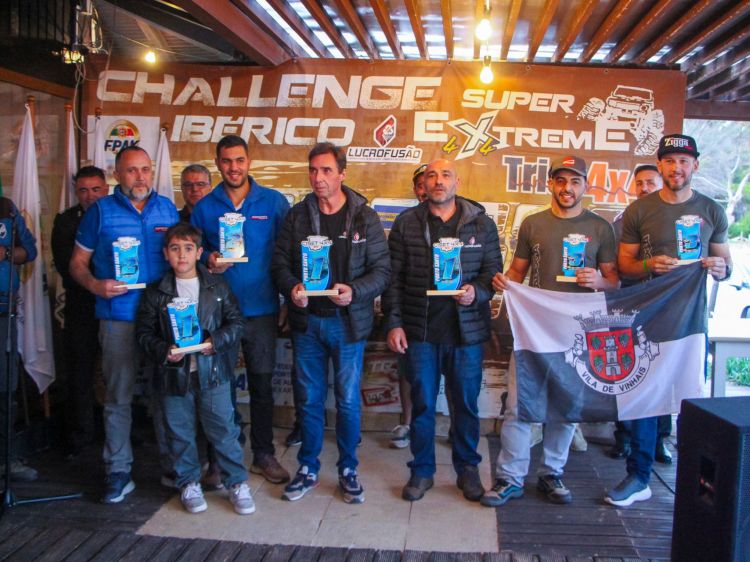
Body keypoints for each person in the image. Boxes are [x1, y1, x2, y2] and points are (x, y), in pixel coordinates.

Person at [483, 155, 618, 507]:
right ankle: (510, 477)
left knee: (567, 407)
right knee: (519, 404)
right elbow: (517, 271)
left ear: (585, 185)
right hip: (535, 329)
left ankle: (551, 473)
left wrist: (599, 280)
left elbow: (614, 281)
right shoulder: (534, 223)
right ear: (550, 184)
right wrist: (504, 282)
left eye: (574, 181)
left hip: (578, 332)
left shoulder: (601, 228)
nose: (567, 188)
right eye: (561, 181)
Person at [606, 133, 731, 506]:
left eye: (684, 161)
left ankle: (699, 483)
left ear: (695, 165)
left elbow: (726, 266)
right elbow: (624, 266)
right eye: (670, 161)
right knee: (644, 396)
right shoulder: (640, 210)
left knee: (690, 399)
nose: (677, 167)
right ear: (660, 165)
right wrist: (649, 264)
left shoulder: (712, 210)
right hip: (649, 316)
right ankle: (639, 476)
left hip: (690, 319)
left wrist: (720, 268)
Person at [272, 142, 390, 503]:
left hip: (347, 323)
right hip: (307, 322)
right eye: (313, 170)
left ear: (342, 174)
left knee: (348, 401)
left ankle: (348, 469)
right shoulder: (297, 215)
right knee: (308, 400)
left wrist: (355, 291)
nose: (318, 178)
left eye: (326, 170)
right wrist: (292, 287)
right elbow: (279, 264)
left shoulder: (364, 217)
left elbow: (382, 271)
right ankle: (308, 468)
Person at [382, 159, 502, 502]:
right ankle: (422, 471)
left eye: (445, 175)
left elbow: (492, 273)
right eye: (432, 175)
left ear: (457, 182)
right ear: (423, 184)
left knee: (465, 405)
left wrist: (476, 292)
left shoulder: (481, 223)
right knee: (422, 405)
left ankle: (468, 469)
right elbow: (393, 279)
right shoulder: (407, 223)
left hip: (466, 333)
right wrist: (394, 323)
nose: (438, 181)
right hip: (420, 331)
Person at [70, 145, 178, 503]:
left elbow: (182, 254)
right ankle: (118, 471)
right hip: (118, 316)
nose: (140, 177)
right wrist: (94, 285)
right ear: (117, 175)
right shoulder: (100, 211)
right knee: (118, 397)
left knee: (166, 395)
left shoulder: (167, 208)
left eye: (145, 169)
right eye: (132, 170)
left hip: (161, 318)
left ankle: (173, 467)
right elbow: (77, 263)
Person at [191, 134, 290, 485]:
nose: (233, 167)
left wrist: (285, 300)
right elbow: (192, 250)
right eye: (226, 161)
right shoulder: (205, 206)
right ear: (218, 163)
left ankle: (263, 453)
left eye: (239, 160)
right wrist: (208, 258)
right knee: (220, 388)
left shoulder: (274, 202)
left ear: (249, 162)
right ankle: (222, 455)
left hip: (263, 309)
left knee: (262, 383)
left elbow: (287, 253)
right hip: (220, 313)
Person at [136, 223, 254, 515]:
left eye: (188, 249)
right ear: (166, 253)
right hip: (174, 375)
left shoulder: (217, 286)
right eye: (175, 249)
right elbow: (143, 334)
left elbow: (237, 323)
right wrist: (164, 351)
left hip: (212, 373)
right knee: (179, 432)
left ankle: (236, 482)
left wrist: (215, 341)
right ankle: (188, 482)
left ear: (199, 252)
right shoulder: (156, 292)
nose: (182, 255)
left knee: (224, 429)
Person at [608, 164, 672, 464]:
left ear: (661, 184)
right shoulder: (622, 221)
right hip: (629, 306)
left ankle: (660, 439)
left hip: (666, 307)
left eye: (650, 182)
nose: (644, 188)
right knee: (626, 371)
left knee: (663, 374)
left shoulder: (672, 217)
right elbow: (614, 267)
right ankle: (623, 436)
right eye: (640, 183)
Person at [51, 166, 109, 458]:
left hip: (115, 305)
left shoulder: (116, 214)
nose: (90, 196)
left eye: (96, 189)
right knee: (80, 372)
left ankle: (116, 431)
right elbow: (67, 266)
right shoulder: (65, 221)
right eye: (83, 190)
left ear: (106, 189)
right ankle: (82, 436)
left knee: (115, 372)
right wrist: (97, 282)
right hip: (81, 306)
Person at [0, 196, 38, 482]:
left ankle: (6, 459)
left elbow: (30, 251)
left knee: (5, 387)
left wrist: (6, 253)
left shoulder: (6, 209)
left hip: (5, 310)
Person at [391, 163, 429, 449]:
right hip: (411, 310)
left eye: (431, 181)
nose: (426, 188)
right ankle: (406, 423)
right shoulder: (405, 221)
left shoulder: (463, 218)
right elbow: (394, 272)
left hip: (448, 313)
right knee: (408, 371)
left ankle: (453, 427)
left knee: (452, 376)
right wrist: (395, 319)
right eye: (420, 184)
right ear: (416, 189)